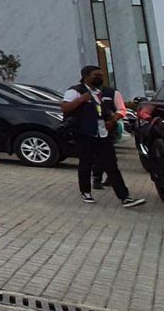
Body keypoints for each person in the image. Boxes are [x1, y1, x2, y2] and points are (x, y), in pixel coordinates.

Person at [61, 65, 145, 207]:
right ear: (86, 76)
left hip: (103, 133)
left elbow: (110, 110)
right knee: (86, 164)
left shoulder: (103, 92)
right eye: (96, 75)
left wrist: (112, 119)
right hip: (84, 133)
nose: (100, 77)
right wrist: (82, 99)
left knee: (111, 165)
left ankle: (125, 197)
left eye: (101, 75)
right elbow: (65, 109)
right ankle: (86, 192)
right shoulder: (75, 91)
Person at [91, 84, 128, 189]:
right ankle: (97, 179)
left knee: (108, 154)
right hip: (91, 129)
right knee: (96, 155)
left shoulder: (112, 92)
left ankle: (110, 178)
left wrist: (113, 120)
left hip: (109, 128)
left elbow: (121, 110)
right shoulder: (84, 92)